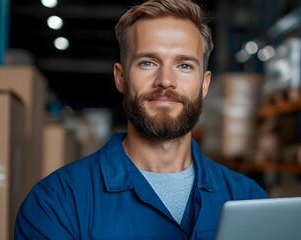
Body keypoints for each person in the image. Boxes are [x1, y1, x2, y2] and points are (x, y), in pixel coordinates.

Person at [14, 0, 267, 239]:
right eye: (148, 62)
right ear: (121, 77)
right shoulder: (57, 202)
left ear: (205, 84)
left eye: (185, 66)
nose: (166, 80)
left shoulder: (249, 200)